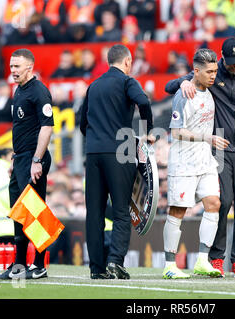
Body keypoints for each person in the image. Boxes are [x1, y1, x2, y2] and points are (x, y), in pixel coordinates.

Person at [165, 37, 235, 277]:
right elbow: (170, 86)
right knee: (221, 204)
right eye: (231, 62)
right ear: (222, 57)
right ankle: (216, 258)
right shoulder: (214, 74)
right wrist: (181, 83)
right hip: (220, 149)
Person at [80, 44, 154, 280]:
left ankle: (96, 268)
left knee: (94, 213)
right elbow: (143, 102)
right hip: (119, 152)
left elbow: (82, 123)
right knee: (121, 211)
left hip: (92, 154)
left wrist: (96, 140)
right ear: (128, 62)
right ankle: (115, 262)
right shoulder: (127, 82)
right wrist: (148, 131)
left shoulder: (93, 86)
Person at [162, 48, 229, 279]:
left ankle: (202, 260)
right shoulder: (184, 95)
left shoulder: (209, 91)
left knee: (214, 203)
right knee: (178, 210)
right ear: (196, 71)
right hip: (183, 162)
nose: (213, 76)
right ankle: (170, 265)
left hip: (205, 160)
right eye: (209, 72)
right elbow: (177, 132)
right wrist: (207, 138)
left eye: (215, 71)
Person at [0, 48, 54, 280]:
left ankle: (39, 265)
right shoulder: (19, 91)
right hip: (21, 158)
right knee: (21, 212)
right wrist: (16, 157)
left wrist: (36, 160)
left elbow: (47, 127)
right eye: (11, 66)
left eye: (17, 67)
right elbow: (22, 127)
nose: (13, 71)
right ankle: (19, 265)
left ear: (30, 67)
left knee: (34, 211)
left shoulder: (39, 92)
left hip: (33, 158)